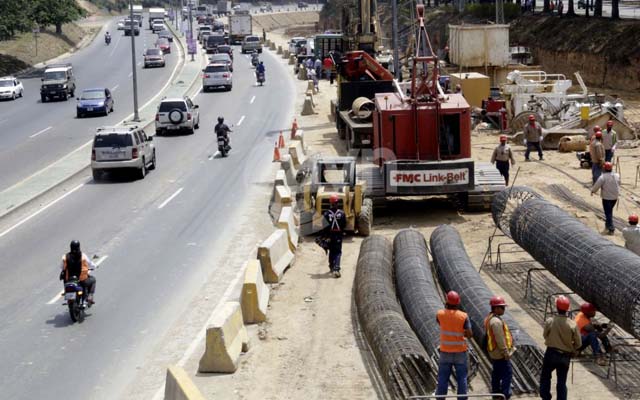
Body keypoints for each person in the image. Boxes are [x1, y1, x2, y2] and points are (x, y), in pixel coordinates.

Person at [539, 295, 582, 400]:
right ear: (567, 309)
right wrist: (572, 349)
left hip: (551, 353)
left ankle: (546, 397)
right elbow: (579, 343)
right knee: (561, 382)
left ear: (557, 308)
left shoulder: (550, 321)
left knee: (545, 377)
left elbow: (545, 335)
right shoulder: (572, 324)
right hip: (565, 356)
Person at [435, 291, 473, 400]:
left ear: (447, 302)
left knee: (443, 378)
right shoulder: (463, 316)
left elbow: (441, 324)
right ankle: (462, 398)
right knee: (462, 378)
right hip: (460, 353)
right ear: (457, 303)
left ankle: (440, 398)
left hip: (445, 352)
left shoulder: (440, 314)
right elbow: (470, 334)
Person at [484, 296, 515, 400]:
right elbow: (500, 339)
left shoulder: (490, 318)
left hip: (495, 353)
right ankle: (504, 396)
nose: (504, 309)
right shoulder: (496, 322)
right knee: (507, 374)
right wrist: (506, 353)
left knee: (496, 374)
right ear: (496, 308)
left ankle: (496, 394)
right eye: (502, 307)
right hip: (500, 354)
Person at [591, 161, 620, 234]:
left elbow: (597, 185)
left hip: (607, 198)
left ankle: (611, 228)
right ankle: (607, 225)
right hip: (615, 197)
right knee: (609, 211)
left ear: (604, 169)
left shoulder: (602, 177)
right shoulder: (616, 175)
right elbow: (619, 183)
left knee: (608, 213)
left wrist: (593, 191)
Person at [322, 194, 346, 278]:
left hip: (330, 235)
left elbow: (324, 226)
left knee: (331, 251)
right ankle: (336, 269)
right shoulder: (342, 213)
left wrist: (325, 236)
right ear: (337, 203)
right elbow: (344, 225)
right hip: (338, 235)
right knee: (338, 252)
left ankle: (331, 266)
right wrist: (341, 232)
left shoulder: (326, 214)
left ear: (330, 203)